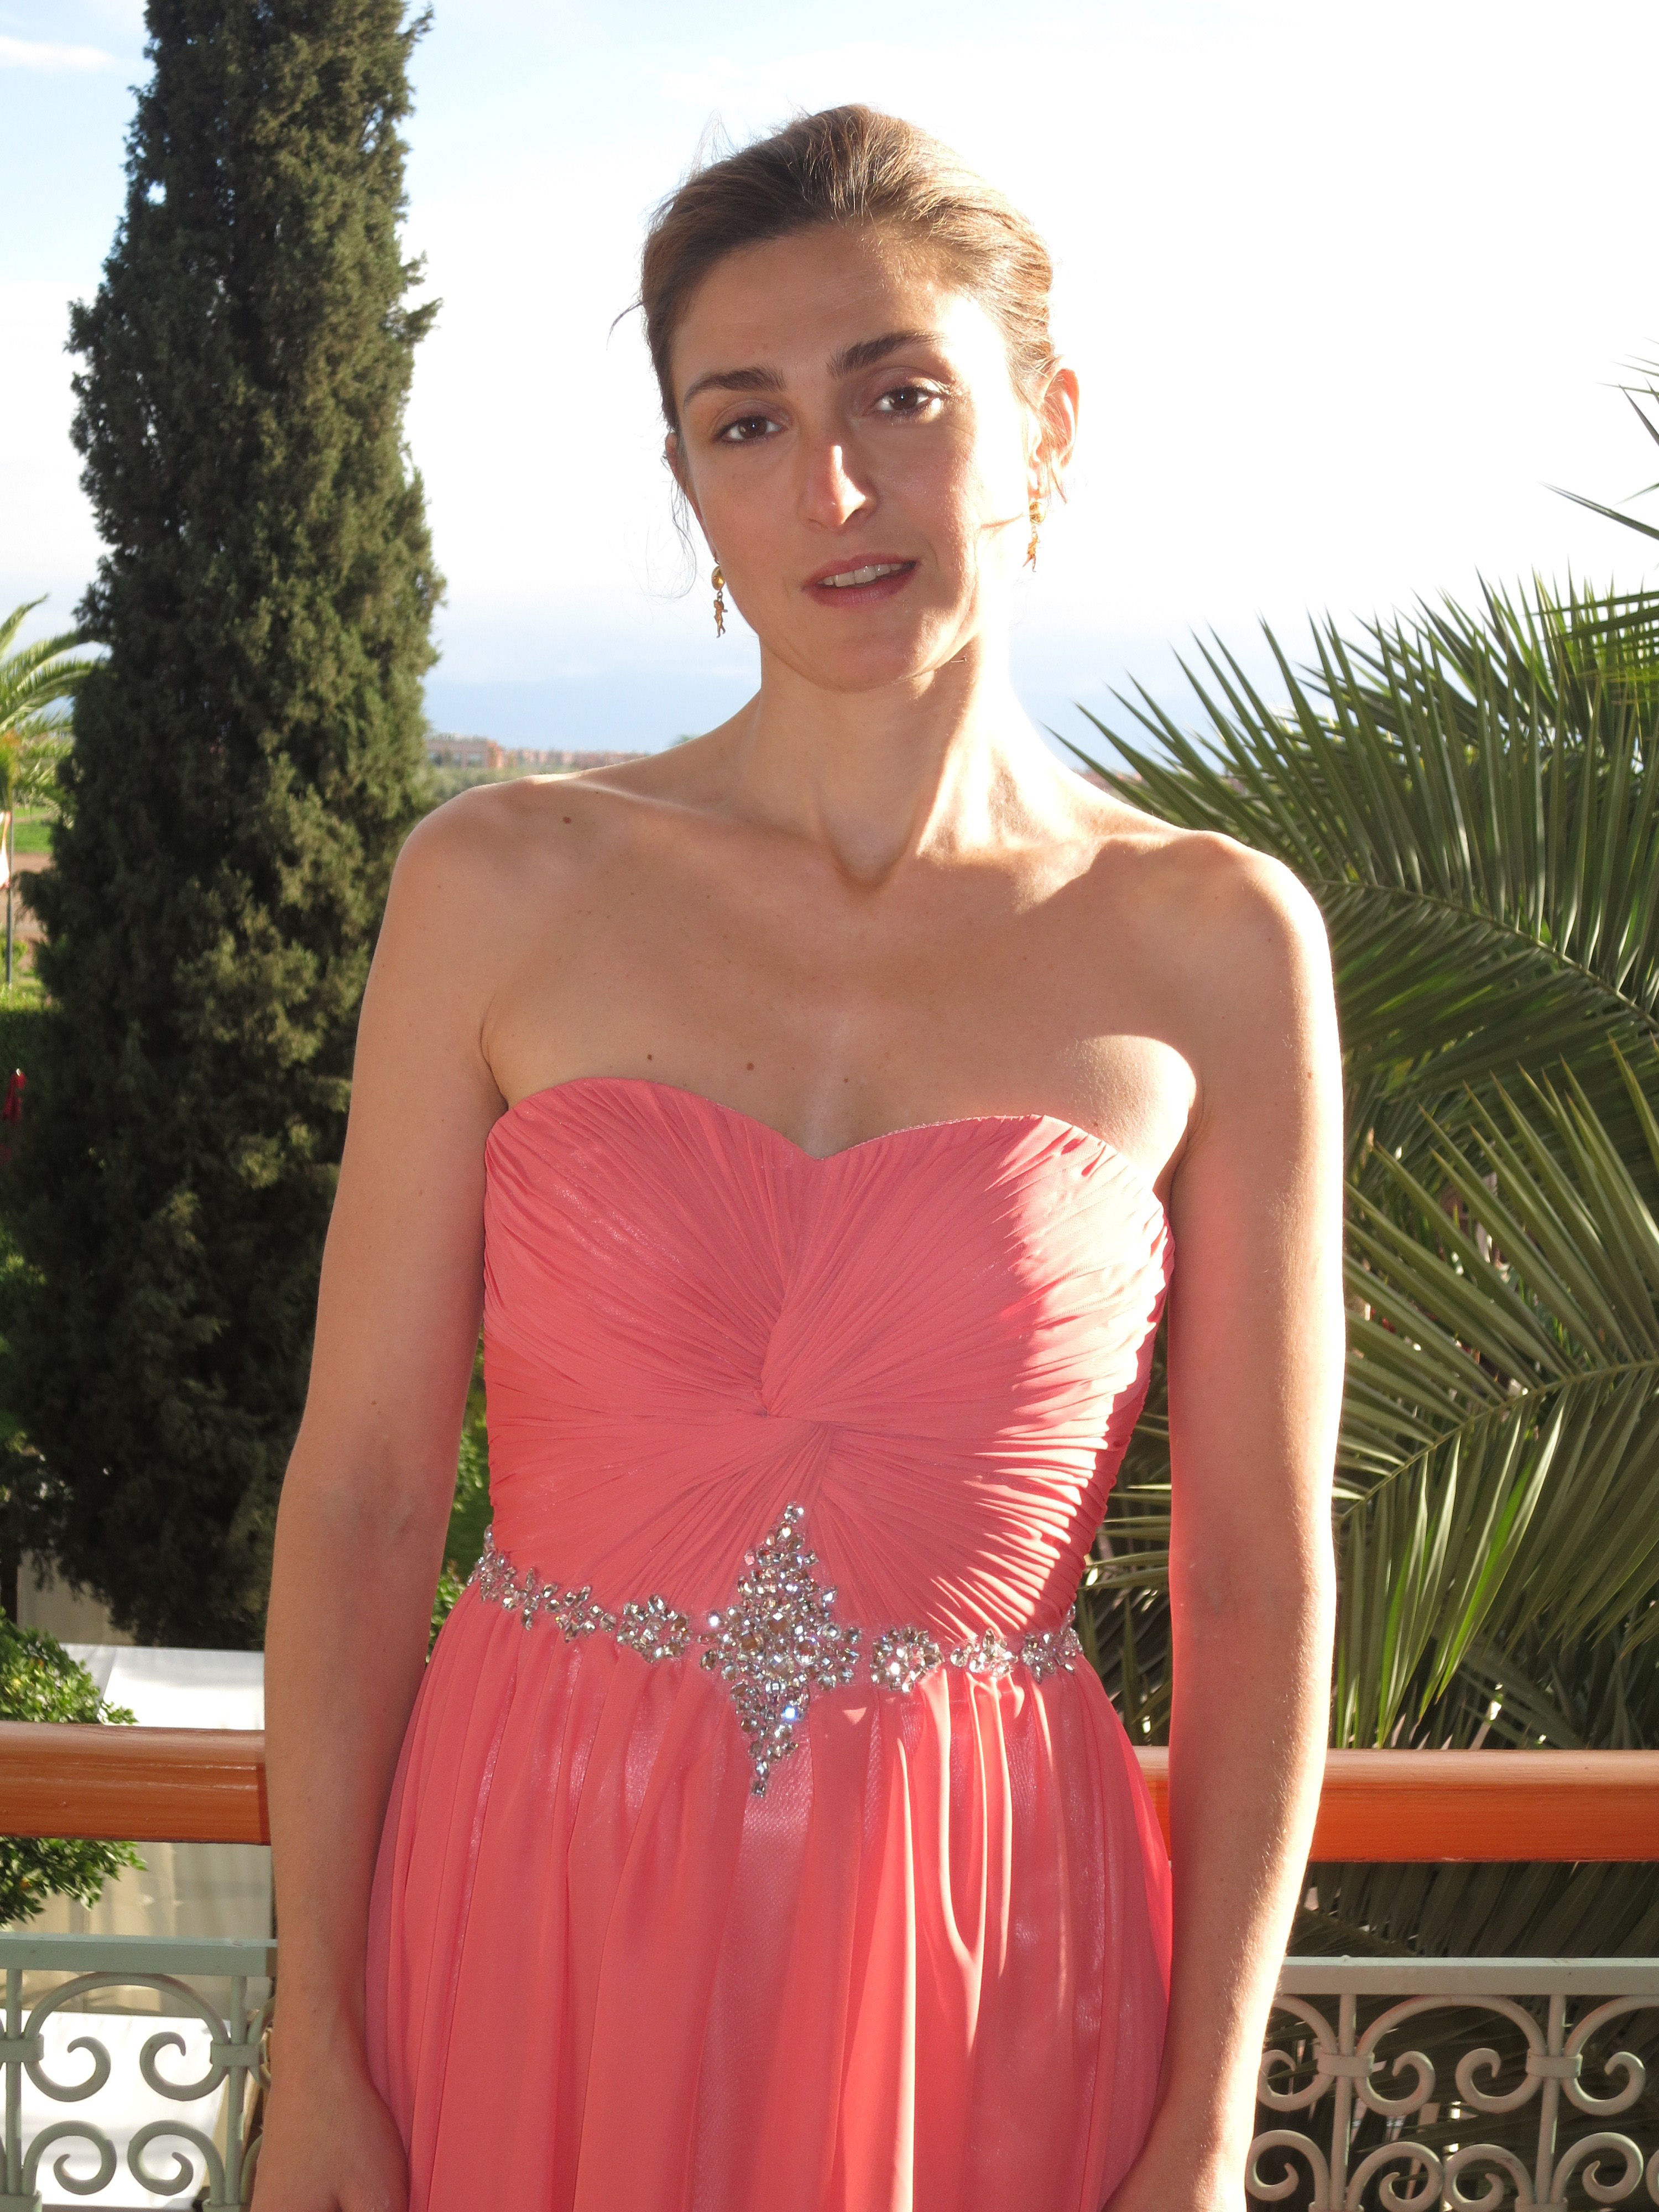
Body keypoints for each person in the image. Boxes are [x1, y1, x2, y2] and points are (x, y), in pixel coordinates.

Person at [255, 105, 1344, 2212]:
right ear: (690, 488)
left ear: (1048, 428)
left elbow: (1255, 1580)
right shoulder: (499, 885)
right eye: (745, 424)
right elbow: (370, 1494)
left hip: (986, 1955)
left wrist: (1209, 2128)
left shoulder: (1218, 944)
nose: (832, 490)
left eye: (900, 396)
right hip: (526, 1897)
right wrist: (315, 2046)